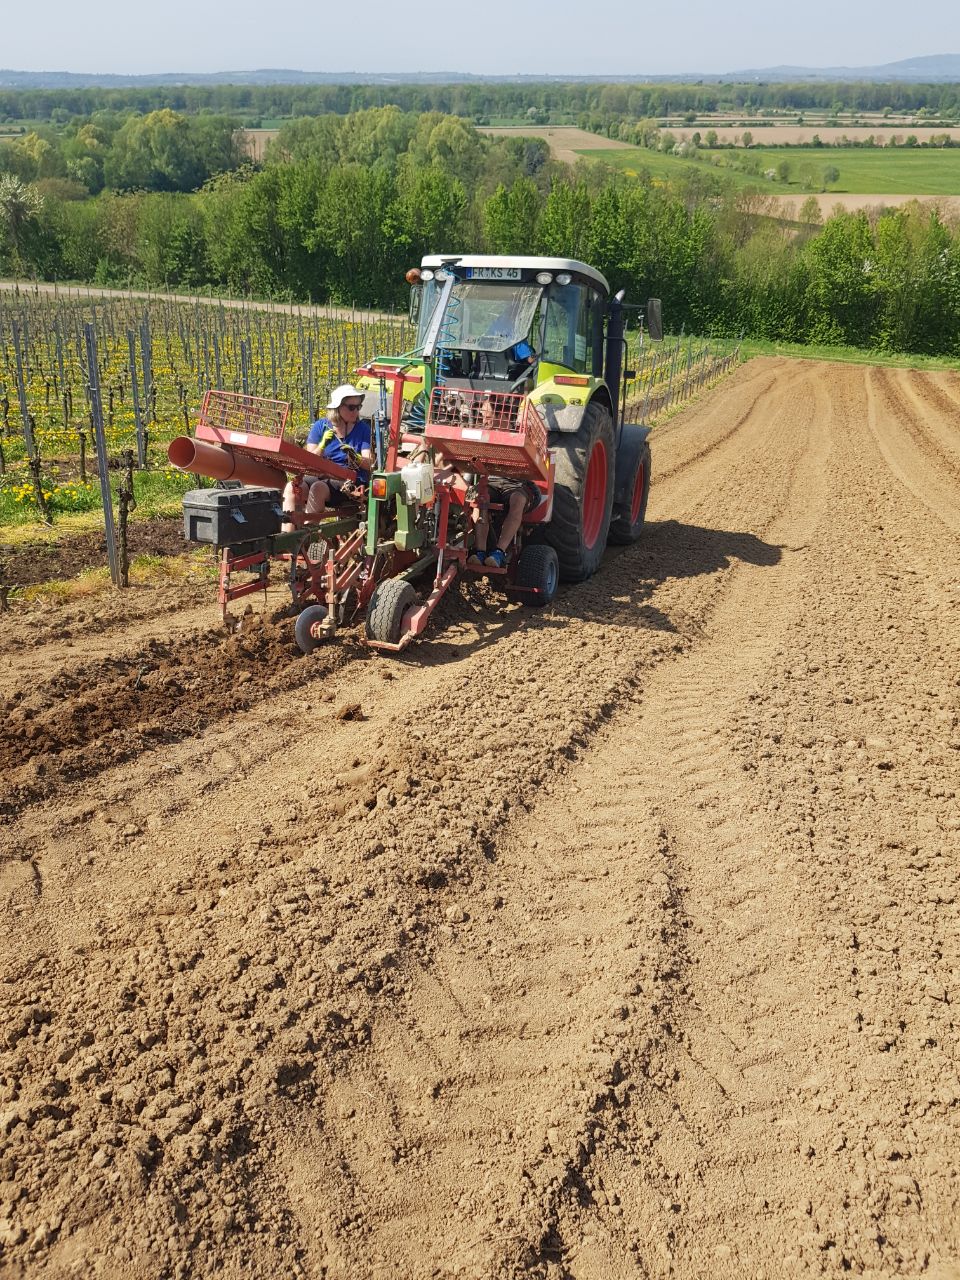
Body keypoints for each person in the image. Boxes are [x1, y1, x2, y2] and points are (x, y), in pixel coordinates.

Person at [282, 385, 372, 526]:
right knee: (292, 488)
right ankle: (286, 539)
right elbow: (309, 459)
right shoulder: (320, 426)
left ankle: (308, 534)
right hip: (321, 475)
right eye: (351, 407)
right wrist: (322, 445)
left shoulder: (363, 430)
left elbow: (368, 464)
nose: (356, 411)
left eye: (358, 407)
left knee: (318, 488)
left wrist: (356, 457)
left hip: (348, 482)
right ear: (337, 407)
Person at [466, 476, 541, 570]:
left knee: (518, 499)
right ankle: (480, 552)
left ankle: (498, 553)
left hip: (516, 485)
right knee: (479, 496)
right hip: (490, 481)